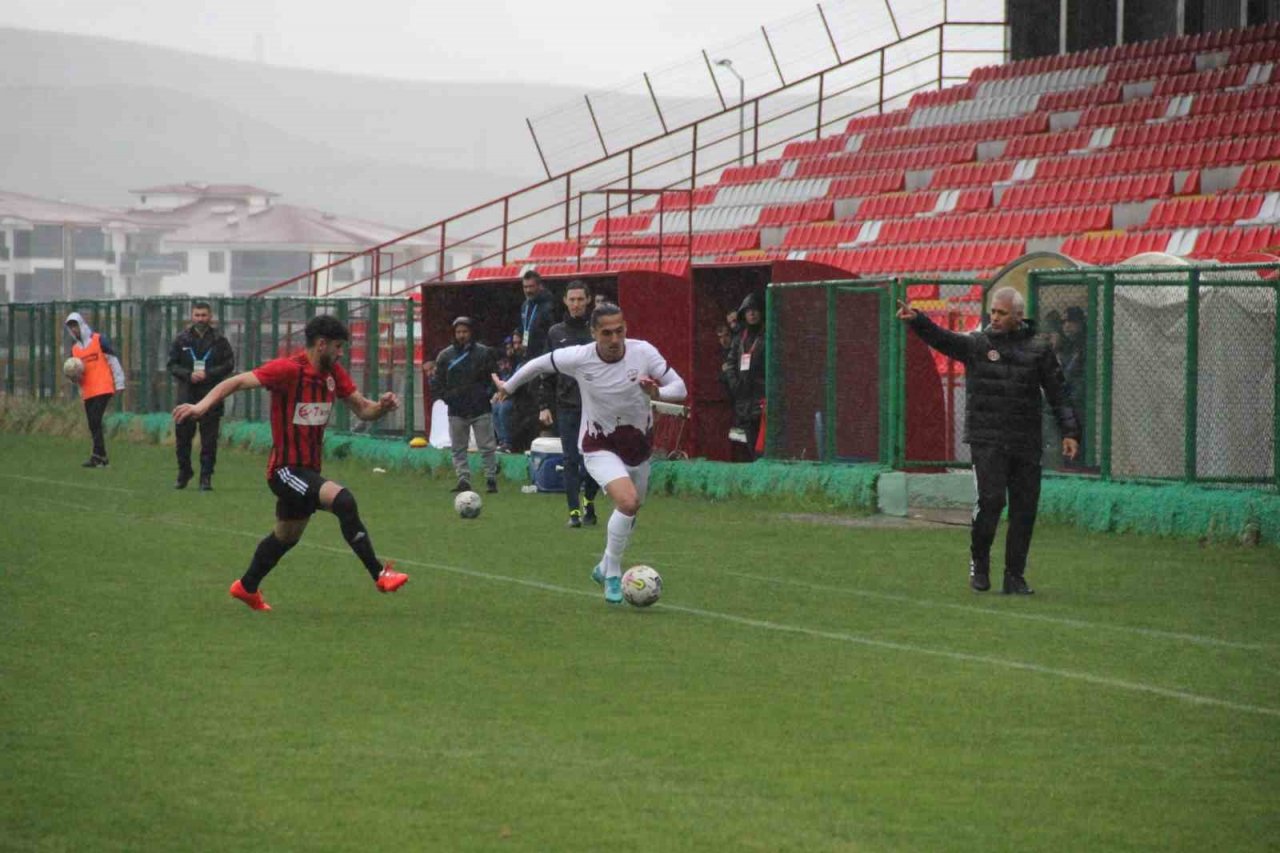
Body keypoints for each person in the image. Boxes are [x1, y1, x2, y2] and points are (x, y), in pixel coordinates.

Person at [172, 314, 408, 611]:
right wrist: (201, 406)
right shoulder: (288, 369)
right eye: (337, 347)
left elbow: (363, 410)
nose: (341, 353)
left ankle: (246, 587)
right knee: (344, 501)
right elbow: (236, 381)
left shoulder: (333, 373)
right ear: (321, 344)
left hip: (308, 471)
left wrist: (382, 408)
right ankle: (380, 574)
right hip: (285, 471)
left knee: (286, 536)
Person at [493, 303, 687, 604]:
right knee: (628, 501)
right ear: (594, 333)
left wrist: (658, 394)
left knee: (632, 510)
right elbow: (538, 364)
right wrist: (509, 385)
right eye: (606, 333)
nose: (614, 339)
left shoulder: (644, 352)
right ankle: (612, 572)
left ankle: (604, 566)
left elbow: (680, 387)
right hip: (599, 445)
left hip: (638, 447)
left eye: (619, 331)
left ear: (626, 329)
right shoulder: (580, 357)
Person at [897, 287, 1079, 595]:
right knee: (992, 501)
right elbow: (944, 340)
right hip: (987, 439)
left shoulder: (1039, 348)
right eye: (992, 311)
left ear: (1018, 317)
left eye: (1001, 313)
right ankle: (979, 565)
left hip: (1025, 440)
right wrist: (918, 321)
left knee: (1024, 509)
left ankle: (1014, 576)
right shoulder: (978, 345)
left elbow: (1057, 392)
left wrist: (1071, 431)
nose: (994, 317)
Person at [539, 281, 601, 528]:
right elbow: (546, 370)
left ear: (588, 301)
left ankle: (589, 499)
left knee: (595, 456)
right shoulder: (556, 332)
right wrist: (544, 404)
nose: (576, 304)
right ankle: (573, 511)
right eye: (571, 299)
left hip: (596, 405)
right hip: (567, 404)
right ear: (565, 301)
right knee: (570, 458)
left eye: (580, 299)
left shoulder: (596, 331)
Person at [425, 316, 499, 494]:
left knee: (487, 446)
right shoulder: (445, 355)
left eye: (465, 332)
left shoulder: (484, 353)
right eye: (458, 332)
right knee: (458, 448)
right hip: (456, 410)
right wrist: (447, 398)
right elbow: (437, 382)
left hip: (480, 408)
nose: (462, 335)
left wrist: (486, 395)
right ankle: (463, 479)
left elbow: (493, 377)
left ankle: (491, 478)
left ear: (471, 332)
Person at [166, 300, 235, 490]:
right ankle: (184, 472)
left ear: (210, 316)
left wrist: (209, 373)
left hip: (211, 396)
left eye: (204, 315)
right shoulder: (181, 340)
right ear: (192, 316)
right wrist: (188, 375)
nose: (200, 319)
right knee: (183, 440)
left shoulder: (219, 340)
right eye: (197, 315)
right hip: (186, 395)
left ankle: (206, 478)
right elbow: (171, 365)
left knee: (209, 442)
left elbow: (229, 364)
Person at [64, 311, 126, 468]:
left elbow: (113, 360)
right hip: (88, 390)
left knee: (95, 420)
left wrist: (119, 383)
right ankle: (101, 457)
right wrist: (74, 379)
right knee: (93, 423)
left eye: (75, 326)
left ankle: (97, 456)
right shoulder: (75, 350)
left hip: (104, 387)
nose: (74, 330)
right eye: (71, 327)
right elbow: (78, 374)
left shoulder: (98, 340)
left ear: (81, 325)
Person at [721, 292, 767, 460]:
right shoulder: (739, 339)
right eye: (748, 311)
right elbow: (731, 363)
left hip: (762, 398)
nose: (752, 314)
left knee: (762, 447)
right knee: (750, 443)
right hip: (744, 400)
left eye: (755, 310)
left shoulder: (768, 335)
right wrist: (735, 384)